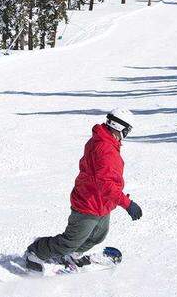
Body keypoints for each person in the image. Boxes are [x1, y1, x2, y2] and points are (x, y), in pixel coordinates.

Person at [25, 109, 143, 271]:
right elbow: (106, 184)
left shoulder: (107, 142)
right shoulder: (104, 149)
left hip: (101, 202)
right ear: (118, 126)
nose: (127, 133)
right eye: (127, 129)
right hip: (88, 203)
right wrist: (127, 204)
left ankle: (72, 255)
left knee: (97, 235)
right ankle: (36, 252)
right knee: (71, 240)